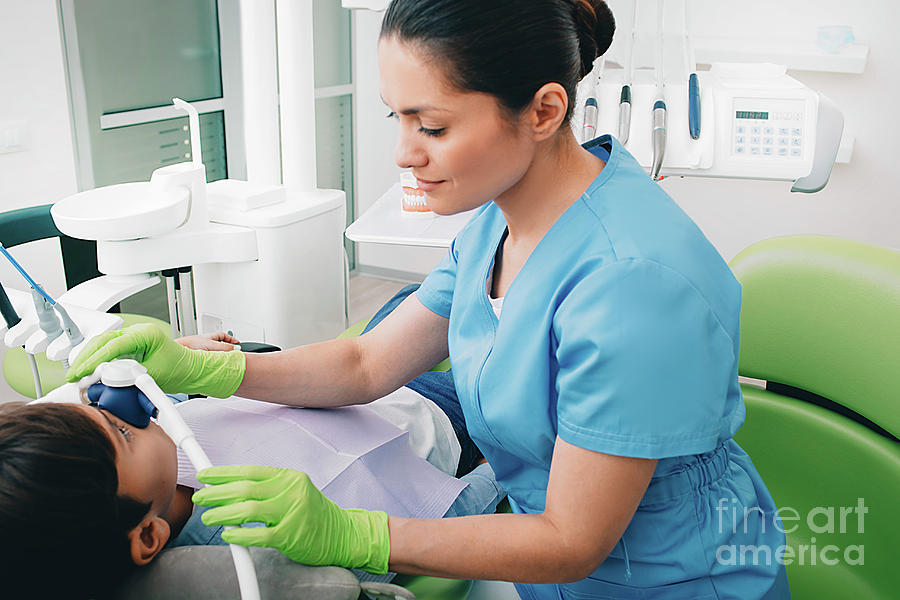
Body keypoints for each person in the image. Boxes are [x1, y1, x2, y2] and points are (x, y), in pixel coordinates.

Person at [68, 0, 790, 597]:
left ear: (543, 111)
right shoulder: (501, 222)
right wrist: (211, 373)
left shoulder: (633, 288)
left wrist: (356, 534)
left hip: (664, 579)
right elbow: (365, 365)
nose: (405, 153)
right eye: (398, 119)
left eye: (433, 126)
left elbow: (571, 541)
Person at [0, 298, 504, 599]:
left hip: (338, 377)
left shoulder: (157, 449)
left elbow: (170, 390)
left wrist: (191, 354)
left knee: (424, 296)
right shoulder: (260, 543)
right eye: (120, 429)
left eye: (94, 402)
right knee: (503, 324)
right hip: (428, 413)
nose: (126, 406)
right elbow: (436, 521)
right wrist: (499, 469)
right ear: (148, 537)